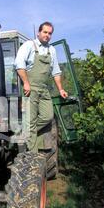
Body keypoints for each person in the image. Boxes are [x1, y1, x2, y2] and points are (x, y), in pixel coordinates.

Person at [14, 21, 68, 153]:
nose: (47, 35)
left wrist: (60, 89)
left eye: (50, 33)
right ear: (39, 32)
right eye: (45, 32)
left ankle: (25, 133)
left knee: (47, 116)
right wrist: (26, 83)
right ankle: (32, 155)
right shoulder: (29, 46)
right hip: (30, 88)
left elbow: (56, 72)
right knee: (31, 120)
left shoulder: (52, 50)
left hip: (44, 89)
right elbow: (19, 65)